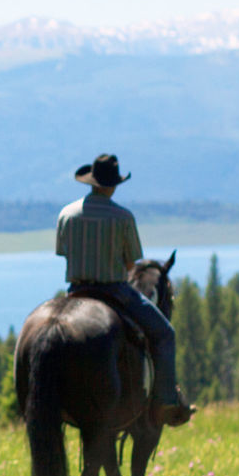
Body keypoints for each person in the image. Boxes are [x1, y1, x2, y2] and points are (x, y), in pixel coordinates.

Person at [56, 152, 193, 426]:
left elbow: (63, 253)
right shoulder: (122, 217)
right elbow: (131, 263)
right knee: (165, 333)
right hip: (115, 292)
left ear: (90, 182)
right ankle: (166, 400)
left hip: (76, 292)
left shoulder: (67, 214)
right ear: (114, 185)